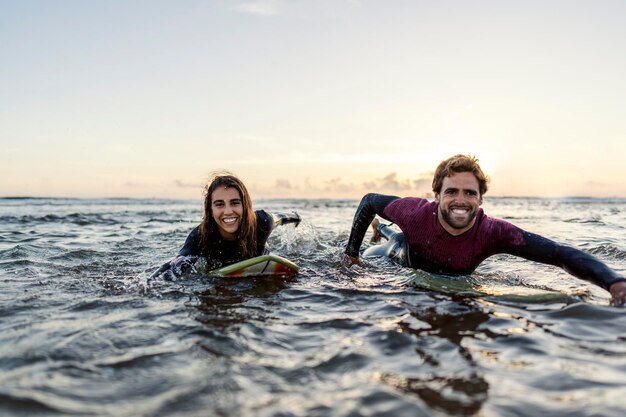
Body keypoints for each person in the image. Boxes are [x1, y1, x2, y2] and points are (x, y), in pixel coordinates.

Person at [342, 154, 626, 307]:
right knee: (389, 244)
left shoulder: (492, 232)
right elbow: (369, 201)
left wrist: (613, 282)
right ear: (437, 195)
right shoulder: (413, 211)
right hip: (396, 257)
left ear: (480, 198)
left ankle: (383, 230)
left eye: (469, 193)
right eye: (451, 191)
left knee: (397, 235)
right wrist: (352, 255)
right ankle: (382, 232)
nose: (460, 200)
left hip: (421, 247)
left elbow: (559, 254)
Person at [151, 173, 300, 280]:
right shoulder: (199, 236)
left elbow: (280, 218)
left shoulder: (261, 222)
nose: (228, 211)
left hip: (258, 255)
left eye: (235, 203)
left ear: (245, 205)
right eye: (219, 204)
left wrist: (295, 217)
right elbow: (175, 265)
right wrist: (145, 286)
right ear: (210, 210)